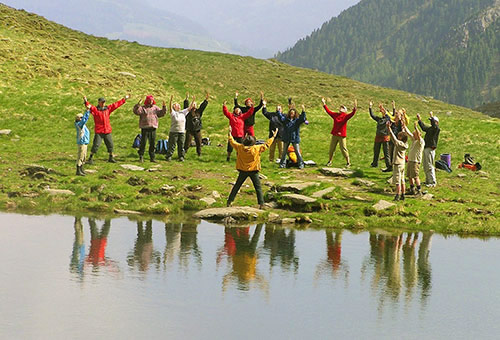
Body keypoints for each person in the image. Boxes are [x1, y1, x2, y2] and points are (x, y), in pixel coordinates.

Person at [226, 126, 278, 209]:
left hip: (242, 170)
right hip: (254, 170)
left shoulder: (240, 147)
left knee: (237, 186)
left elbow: (232, 141)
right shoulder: (256, 148)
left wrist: (229, 133)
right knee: (258, 188)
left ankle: (229, 201)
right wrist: (273, 136)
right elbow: (267, 144)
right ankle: (261, 204)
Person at [84, 94, 129, 164]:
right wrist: (86, 101)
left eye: (104, 102)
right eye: (102, 102)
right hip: (99, 131)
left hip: (107, 130)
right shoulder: (95, 110)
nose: (103, 103)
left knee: (110, 145)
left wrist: (124, 99)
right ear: (99, 102)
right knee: (96, 145)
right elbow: (89, 107)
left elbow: (116, 105)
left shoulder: (107, 109)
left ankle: (111, 157)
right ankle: (90, 158)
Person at [321, 97, 357, 167]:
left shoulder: (345, 116)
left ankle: (348, 162)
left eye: (342, 108)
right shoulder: (335, 115)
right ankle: (330, 161)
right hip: (334, 134)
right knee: (331, 149)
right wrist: (324, 103)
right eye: (340, 107)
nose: (340, 108)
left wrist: (355, 107)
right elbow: (328, 111)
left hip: (342, 136)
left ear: (345, 110)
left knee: (343, 149)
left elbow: (352, 114)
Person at [133, 95, 166, 163]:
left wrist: (164, 107)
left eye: (152, 100)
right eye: (149, 100)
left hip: (153, 128)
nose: (151, 101)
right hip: (145, 128)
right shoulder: (142, 108)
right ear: (147, 100)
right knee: (143, 143)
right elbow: (136, 112)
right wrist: (138, 105)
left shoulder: (155, 108)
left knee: (152, 143)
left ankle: (152, 157)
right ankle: (141, 156)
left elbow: (162, 113)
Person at [165, 95, 193, 161]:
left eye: (179, 105)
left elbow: (189, 108)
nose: (179, 106)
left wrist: (193, 100)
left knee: (181, 145)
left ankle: (181, 157)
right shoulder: (173, 113)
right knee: (172, 145)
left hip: (182, 131)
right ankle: (169, 156)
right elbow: (170, 108)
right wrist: (171, 100)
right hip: (174, 131)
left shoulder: (183, 112)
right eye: (177, 105)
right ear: (174, 107)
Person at [278, 105, 307, 169]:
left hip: (295, 138)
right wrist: (278, 111)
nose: (291, 114)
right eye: (291, 113)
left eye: (293, 113)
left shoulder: (297, 121)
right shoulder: (286, 120)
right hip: (286, 137)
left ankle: (301, 164)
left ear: (295, 114)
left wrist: (303, 111)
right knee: (284, 152)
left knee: (297, 152)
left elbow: (302, 119)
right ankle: (282, 164)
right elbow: (280, 118)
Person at [387, 120, 408, 201]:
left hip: (397, 163)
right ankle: (403, 194)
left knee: (397, 180)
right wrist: (403, 128)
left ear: (400, 138)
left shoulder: (399, 144)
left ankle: (397, 195)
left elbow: (394, 138)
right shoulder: (405, 144)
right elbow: (402, 136)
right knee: (402, 180)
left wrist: (389, 129)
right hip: (402, 164)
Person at [417, 112, 440, 187]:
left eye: (432, 121)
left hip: (430, 148)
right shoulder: (430, 129)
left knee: (429, 165)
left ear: (436, 122)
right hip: (426, 148)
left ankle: (432, 182)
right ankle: (428, 180)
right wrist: (419, 120)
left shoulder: (436, 129)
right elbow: (423, 128)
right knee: (426, 165)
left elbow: (434, 126)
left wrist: (431, 116)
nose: (431, 122)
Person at [183, 92, 209, 157]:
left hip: (197, 130)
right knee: (187, 143)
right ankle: (183, 154)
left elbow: (203, 106)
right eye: (193, 104)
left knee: (199, 142)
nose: (194, 105)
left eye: (195, 104)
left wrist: (206, 100)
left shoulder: (198, 111)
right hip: (190, 130)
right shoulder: (188, 112)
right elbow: (185, 106)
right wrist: (186, 99)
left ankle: (199, 154)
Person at [369, 101, 392, 171]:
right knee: (376, 150)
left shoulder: (388, 119)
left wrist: (382, 108)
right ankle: (375, 163)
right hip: (378, 136)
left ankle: (388, 165)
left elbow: (387, 115)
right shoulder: (379, 119)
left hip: (385, 137)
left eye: (384, 112)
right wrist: (370, 107)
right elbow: (372, 115)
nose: (382, 112)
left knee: (386, 152)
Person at [404, 121, 425, 195]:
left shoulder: (421, 141)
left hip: (415, 161)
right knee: (409, 176)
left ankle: (419, 190)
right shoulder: (414, 140)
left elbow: (419, 136)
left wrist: (416, 127)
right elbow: (408, 133)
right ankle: (412, 189)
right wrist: (404, 124)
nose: (413, 135)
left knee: (415, 176)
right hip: (410, 160)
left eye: (414, 134)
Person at [74, 104, 91, 176]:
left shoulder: (81, 124)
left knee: (84, 156)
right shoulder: (79, 124)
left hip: (85, 142)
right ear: (78, 119)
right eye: (81, 117)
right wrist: (87, 110)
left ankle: (81, 169)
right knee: (80, 156)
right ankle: (78, 170)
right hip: (82, 142)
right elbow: (85, 119)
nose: (82, 118)